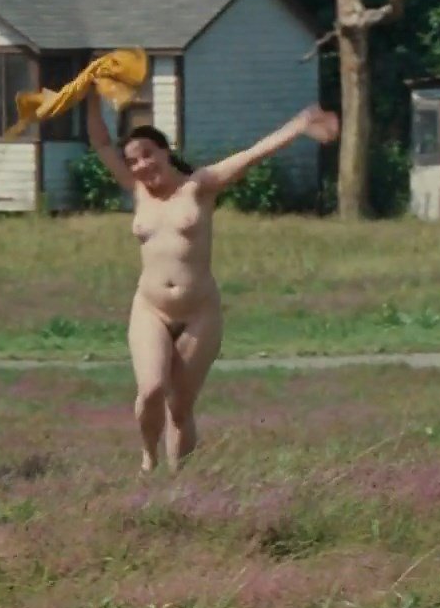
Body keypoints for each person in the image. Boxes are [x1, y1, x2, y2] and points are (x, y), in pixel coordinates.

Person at [86, 92, 338, 471]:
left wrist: (300, 125)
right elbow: (102, 143)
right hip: (151, 309)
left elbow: (252, 154)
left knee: (180, 406)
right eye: (133, 161)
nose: (141, 166)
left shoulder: (199, 186)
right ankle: (149, 459)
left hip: (199, 313)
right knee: (151, 389)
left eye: (148, 155)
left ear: (165, 152)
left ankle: (180, 482)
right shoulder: (137, 191)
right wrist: (90, 93)